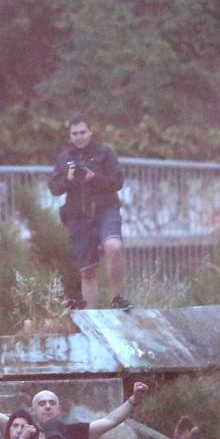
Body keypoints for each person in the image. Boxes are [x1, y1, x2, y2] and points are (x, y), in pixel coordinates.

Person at [0, 374, 149, 439]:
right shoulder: (21, 429)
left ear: (59, 409)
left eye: (52, 403)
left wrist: (134, 400)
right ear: (32, 411)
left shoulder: (72, 432)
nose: (47, 407)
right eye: (42, 403)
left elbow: (110, 421)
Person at [48, 116, 127, 309]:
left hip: (105, 210)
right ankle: (93, 318)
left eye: (83, 132)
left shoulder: (105, 153)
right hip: (78, 217)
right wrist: (67, 179)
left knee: (114, 247)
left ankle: (118, 298)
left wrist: (94, 177)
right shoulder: (64, 158)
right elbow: (54, 188)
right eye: (75, 133)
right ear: (70, 135)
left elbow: (117, 182)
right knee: (87, 272)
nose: (79, 137)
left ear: (90, 132)